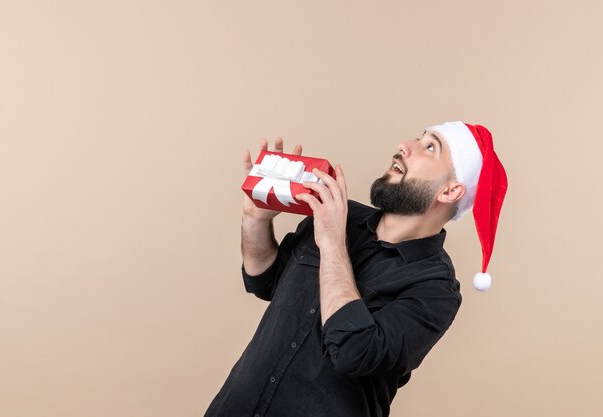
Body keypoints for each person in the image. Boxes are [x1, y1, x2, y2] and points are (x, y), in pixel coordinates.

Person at [204, 121, 508, 417]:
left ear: (450, 192)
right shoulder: (338, 215)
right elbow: (264, 281)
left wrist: (333, 243)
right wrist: (256, 219)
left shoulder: (436, 290)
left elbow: (354, 352)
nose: (405, 146)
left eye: (430, 147)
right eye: (420, 137)